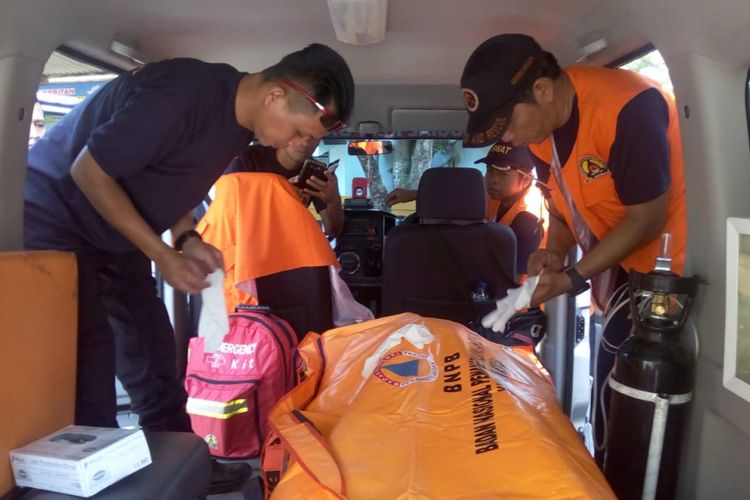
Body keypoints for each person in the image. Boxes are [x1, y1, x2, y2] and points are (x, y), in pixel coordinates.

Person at [24, 44, 354, 491]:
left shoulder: (240, 131)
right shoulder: (182, 93)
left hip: (116, 232)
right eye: (300, 131)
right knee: (92, 360)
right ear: (276, 95)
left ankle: (184, 459)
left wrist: (187, 238)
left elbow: (173, 187)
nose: (299, 145)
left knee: (154, 348)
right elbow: (89, 172)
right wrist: (164, 256)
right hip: (57, 220)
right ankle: (95, 479)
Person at [460, 33, 686, 465]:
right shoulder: (541, 133)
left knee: (631, 405)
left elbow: (646, 218)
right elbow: (561, 209)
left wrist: (571, 278)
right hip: (622, 272)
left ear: (542, 91)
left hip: (667, 278)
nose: (507, 137)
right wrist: (554, 251)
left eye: (506, 124)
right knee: (610, 395)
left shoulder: (627, 108)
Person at [385, 141, 544, 275]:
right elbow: (461, 192)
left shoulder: (529, 217)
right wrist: (413, 194)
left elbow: (514, 274)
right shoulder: (495, 194)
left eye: (503, 174)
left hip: (517, 305)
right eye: (490, 171)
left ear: (526, 179)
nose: (493, 180)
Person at [226, 139, 344, 236]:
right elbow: (228, 219)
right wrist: (280, 195)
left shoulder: (315, 172)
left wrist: (334, 201)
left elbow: (333, 230)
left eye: (313, 136)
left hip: (288, 249)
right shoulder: (246, 161)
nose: (305, 142)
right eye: (298, 133)